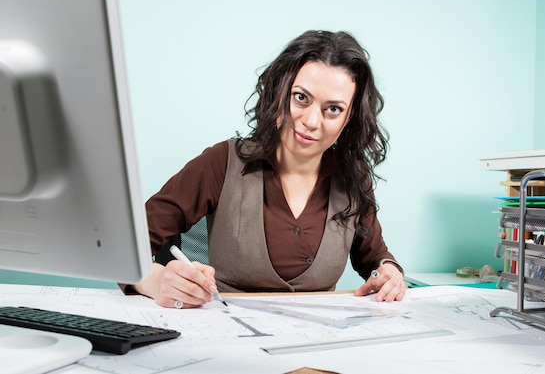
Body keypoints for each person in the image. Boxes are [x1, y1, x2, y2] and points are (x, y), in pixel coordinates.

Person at [132, 30, 407, 308]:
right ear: (279, 92)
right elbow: (128, 246)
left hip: (314, 343)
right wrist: (155, 281)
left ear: (351, 117)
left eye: (333, 109)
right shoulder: (222, 162)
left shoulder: (352, 179)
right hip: (225, 333)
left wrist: (389, 272)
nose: (311, 121)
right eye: (301, 98)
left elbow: (376, 258)